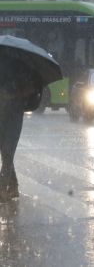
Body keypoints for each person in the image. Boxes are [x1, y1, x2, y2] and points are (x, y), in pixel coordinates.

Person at [0, 58, 42, 203]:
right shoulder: (16, 66)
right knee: (5, 152)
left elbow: (29, 91)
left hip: (13, 116)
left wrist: (10, 95)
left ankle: (2, 188)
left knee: (7, 152)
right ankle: (13, 186)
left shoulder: (21, 70)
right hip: (5, 115)